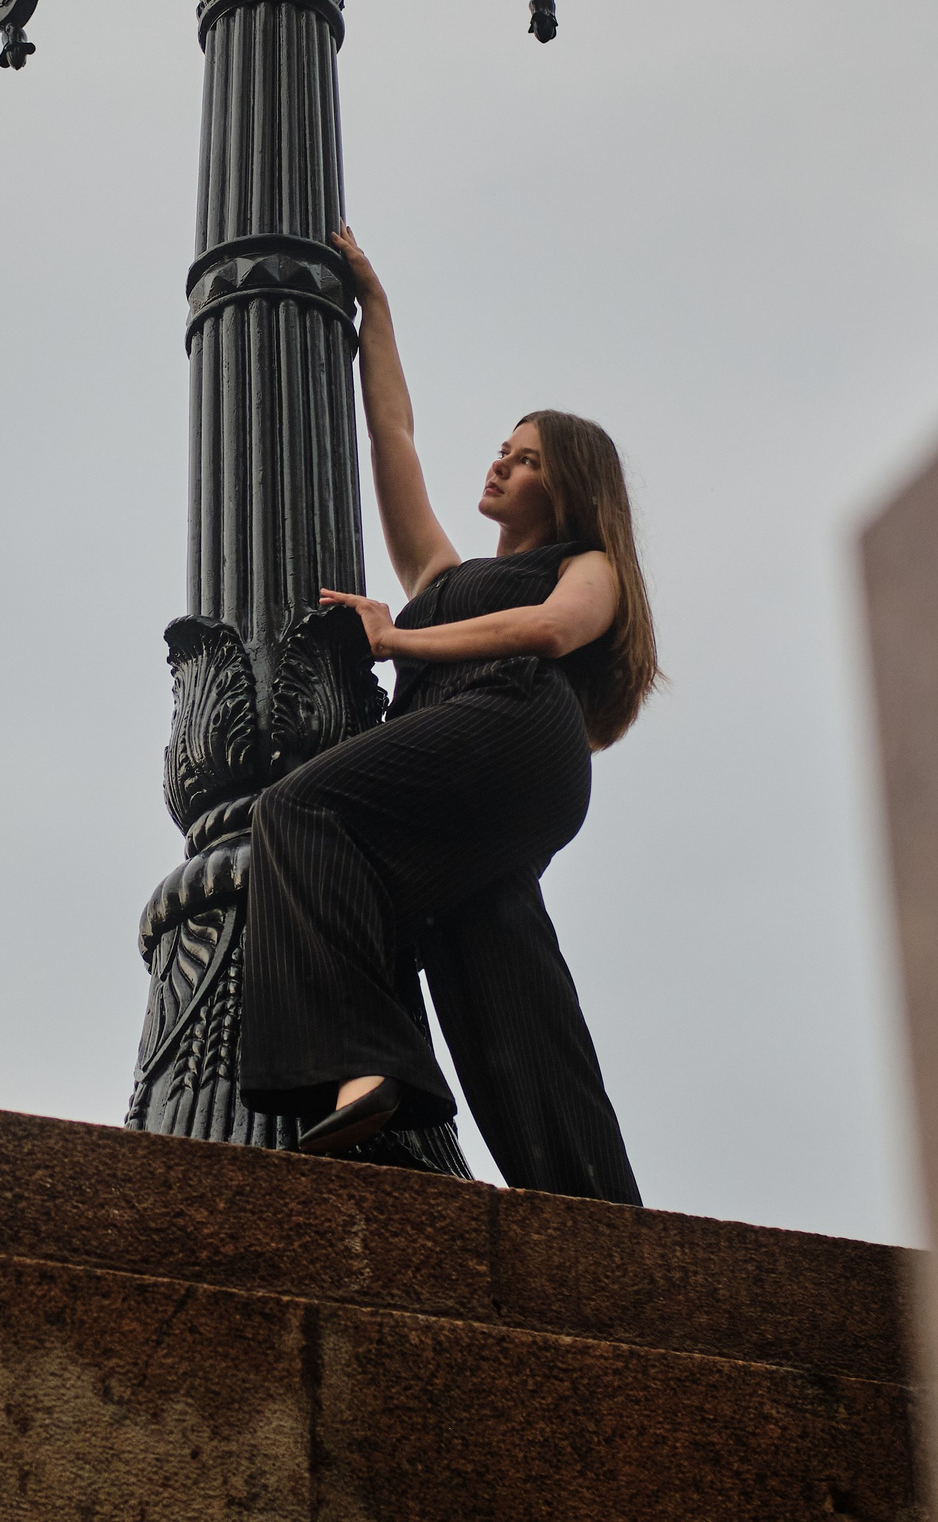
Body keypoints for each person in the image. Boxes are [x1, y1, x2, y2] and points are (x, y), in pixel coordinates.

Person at [237, 224, 660, 1203]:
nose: (500, 467)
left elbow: (552, 635)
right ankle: (594, 1212)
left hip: (515, 733)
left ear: (569, 486)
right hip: (468, 777)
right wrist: (372, 311)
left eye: (524, 460)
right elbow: (394, 437)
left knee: (296, 813)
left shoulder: (582, 567)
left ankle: (371, 1064)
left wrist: (397, 643)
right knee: (500, 980)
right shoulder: (443, 572)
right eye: (501, 452)